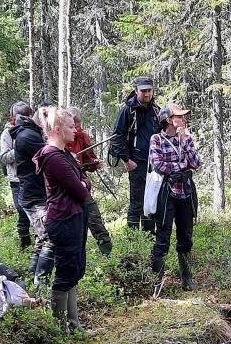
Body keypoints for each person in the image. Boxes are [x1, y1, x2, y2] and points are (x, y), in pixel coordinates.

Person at [36, 108, 93, 332]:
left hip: (75, 216)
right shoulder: (52, 157)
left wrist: (83, 183)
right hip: (63, 219)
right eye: (71, 127)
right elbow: (81, 190)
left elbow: (83, 182)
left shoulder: (65, 155)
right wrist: (83, 184)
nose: (75, 130)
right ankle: (61, 328)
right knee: (66, 271)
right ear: (58, 130)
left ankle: (73, 323)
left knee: (75, 269)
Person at [148, 103, 203, 290]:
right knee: (163, 235)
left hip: (185, 191)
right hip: (167, 192)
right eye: (180, 116)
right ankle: (157, 282)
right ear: (170, 120)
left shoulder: (186, 139)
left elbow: (196, 162)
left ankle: (187, 279)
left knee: (186, 236)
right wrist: (180, 168)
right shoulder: (156, 139)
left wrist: (184, 143)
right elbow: (158, 165)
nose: (183, 119)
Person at [109, 76, 162, 232]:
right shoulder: (128, 111)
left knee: (152, 199)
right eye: (143, 91)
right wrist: (127, 160)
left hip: (153, 163)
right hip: (136, 162)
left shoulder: (156, 111)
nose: (146, 94)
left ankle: (149, 235)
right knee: (137, 202)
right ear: (136, 91)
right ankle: (132, 239)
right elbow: (117, 137)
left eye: (149, 91)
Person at [14, 103, 52, 281]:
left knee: (42, 236)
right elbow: (50, 156)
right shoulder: (28, 136)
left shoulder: (31, 133)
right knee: (50, 237)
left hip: (38, 194)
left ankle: (32, 274)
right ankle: (40, 281)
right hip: (33, 197)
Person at [69, 107, 113, 256]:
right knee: (71, 224)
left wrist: (94, 163)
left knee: (94, 217)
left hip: (81, 184)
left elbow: (89, 158)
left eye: (78, 126)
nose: (76, 130)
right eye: (73, 127)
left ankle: (106, 251)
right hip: (64, 189)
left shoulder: (82, 137)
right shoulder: (58, 139)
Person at [0, 101, 35, 252]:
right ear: (13, 117)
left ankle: (40, 243)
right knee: (21, 209)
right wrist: (21, 149)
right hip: (17, 178)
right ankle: (25, 244)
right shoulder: (8, 133)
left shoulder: (35, 130)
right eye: (20, 117)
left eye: (26, 116)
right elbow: (4, 157)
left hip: (34, 176)